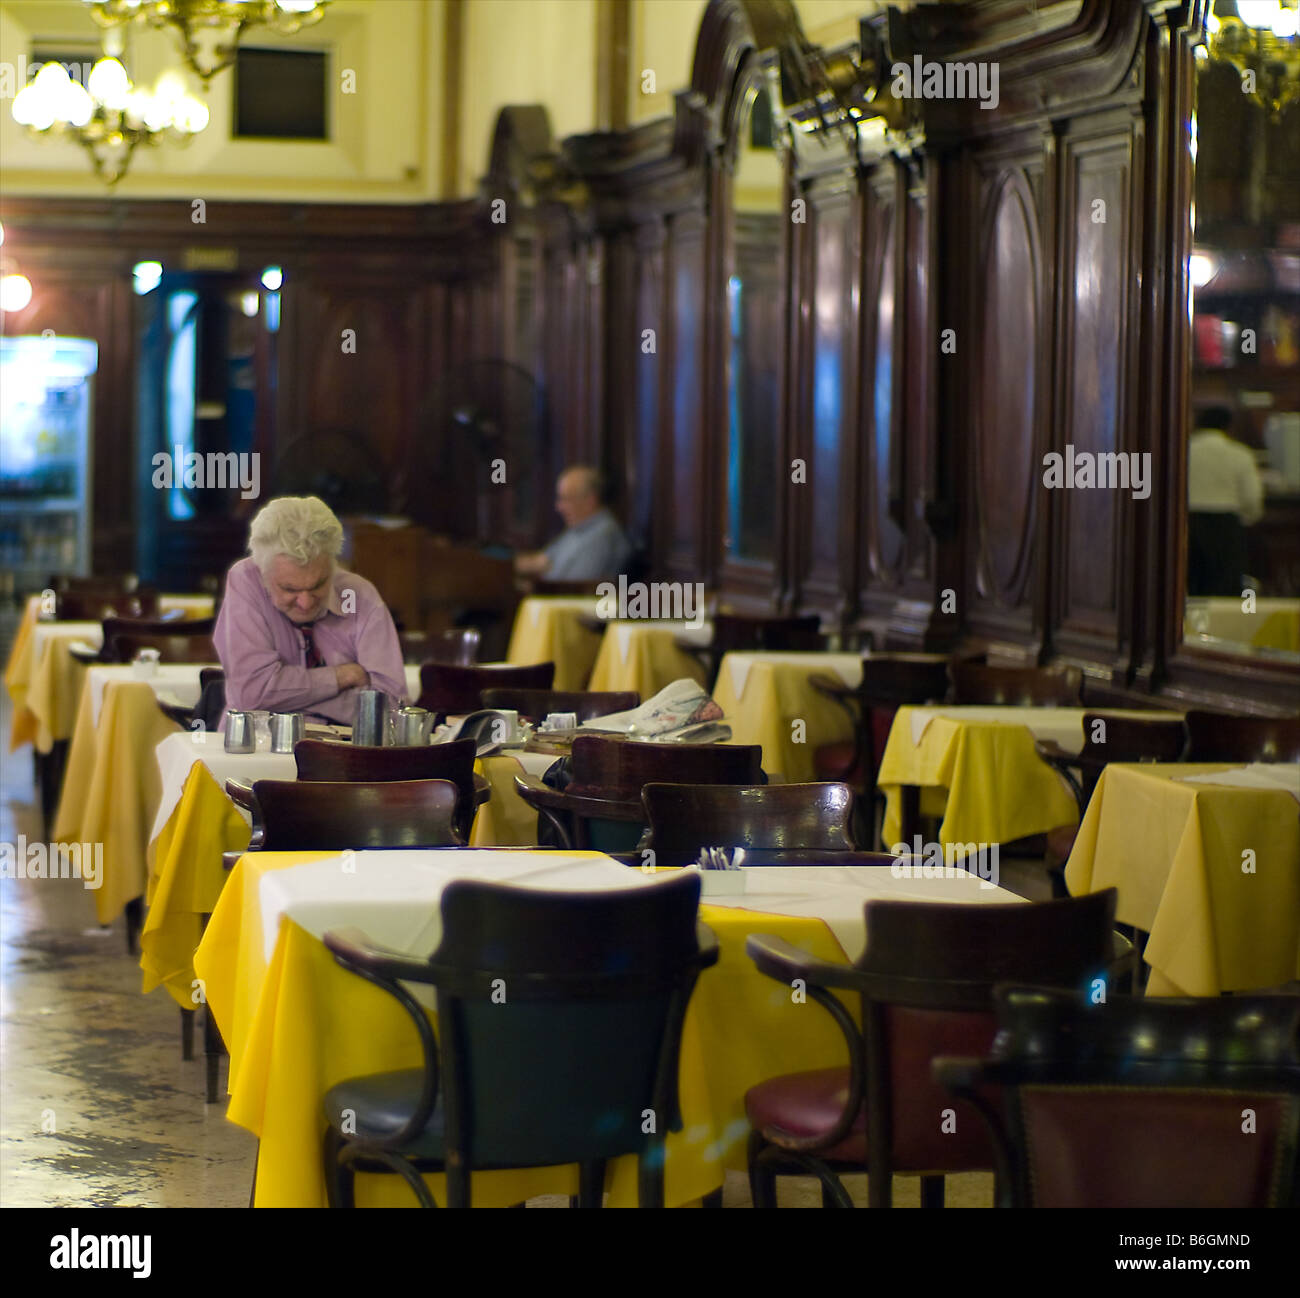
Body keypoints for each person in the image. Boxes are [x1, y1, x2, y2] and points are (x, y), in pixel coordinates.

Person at [214, 495, 407, 724]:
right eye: (289, 589)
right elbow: (252, 693)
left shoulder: (358, 596)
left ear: (334, 565)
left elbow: (390, 709)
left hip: (343, 753)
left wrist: (283, 696)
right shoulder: (246, 580)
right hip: (255, 750)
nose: (305, 603)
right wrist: (341, 677)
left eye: (318, 585)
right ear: (262, 572)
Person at [1186, 406, 1264, 597]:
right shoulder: (1240, 454)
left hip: (1188, 523)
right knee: (1225, 590)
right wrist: (1244, 519)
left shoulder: (1183, 451)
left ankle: (1192, 626)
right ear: (1228, 426)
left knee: (1191, 586)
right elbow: (1252, 498)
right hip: (1225, 525)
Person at [515, 465, 632, 581]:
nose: (558, 507)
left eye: (565, 499)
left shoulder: (603, 536)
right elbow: (541, 561)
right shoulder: (578, 528)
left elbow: (574, 587)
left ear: (590, 501)